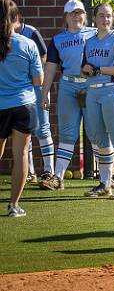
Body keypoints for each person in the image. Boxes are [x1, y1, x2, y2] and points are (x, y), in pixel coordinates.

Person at [39, 0, 98, 191]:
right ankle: (58, 178)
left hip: (92, 87)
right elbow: (49, 69)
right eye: (72, 13)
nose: (76, 16)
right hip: (68, 87)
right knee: (67, 134)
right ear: (65, 17)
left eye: (79, 12)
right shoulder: (58, 40)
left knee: (97, 133)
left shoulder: (96, 34)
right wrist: (44, 93)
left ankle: (107, 178)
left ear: (85, 15)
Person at [80, 3, 114, 199]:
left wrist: (99, 70)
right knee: (99, 139)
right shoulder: (89, 42)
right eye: (101, 15)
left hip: (113, 91)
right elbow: (84, 69)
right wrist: (86, 70)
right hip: (93, 92)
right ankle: (105, 183)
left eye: (109, 16)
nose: (105, 19)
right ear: (94, 18)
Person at [0, 0, 43, 217]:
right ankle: (14, 206)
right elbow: (38, 80)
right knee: (21, 155)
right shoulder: (28, 44)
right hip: (24, 105)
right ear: (17, 19)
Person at [16, 17, 55, 184]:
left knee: (43, 129)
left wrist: (30, 69)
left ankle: (49, 171)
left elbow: (44, 56)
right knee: (24, 131)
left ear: (16, 18)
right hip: (19, 89)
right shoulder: (5, 34)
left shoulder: (30, 32)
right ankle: (30, 172)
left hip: (36, 86)